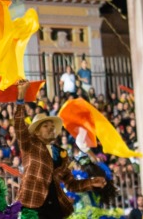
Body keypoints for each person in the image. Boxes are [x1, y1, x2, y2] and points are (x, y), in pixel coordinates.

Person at [15, 85, 106, 218]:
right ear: (36, 131)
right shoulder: (30, 144)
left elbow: (71, 184)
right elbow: (19, 126)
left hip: (55, 208)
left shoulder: (61, 153)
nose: (51, 129)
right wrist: (20, 98)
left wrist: (91, 182)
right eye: (45, 126)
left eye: (52, 127)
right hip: (32, 205)